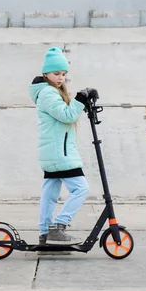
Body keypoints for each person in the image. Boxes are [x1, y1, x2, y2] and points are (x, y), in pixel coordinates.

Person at [28, 47, 96, 245]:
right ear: (46, 74)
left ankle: (44, 233)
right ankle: (59, 226)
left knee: (50, 193)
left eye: (64, 74)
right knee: (81, 188)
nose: (61, 78)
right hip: (60, 154)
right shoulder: (48, 93)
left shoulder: (49, 92)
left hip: (54, 152)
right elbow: (67, 115)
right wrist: (81, 99)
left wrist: (79, 102)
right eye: (56, 74)